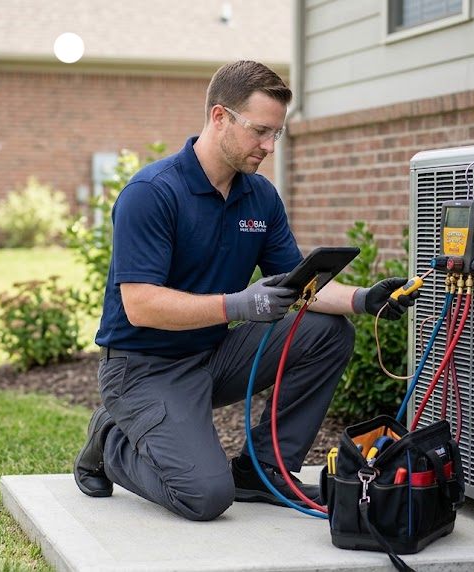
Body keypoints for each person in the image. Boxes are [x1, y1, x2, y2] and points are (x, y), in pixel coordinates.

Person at [73, 60, 419, 522]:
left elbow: (300, 286)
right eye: (260, 131)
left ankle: (265, 470)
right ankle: (111, 437)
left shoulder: (259, 196)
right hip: (144, 369)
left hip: (214, 355)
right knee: (205, 497)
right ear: (220, 117)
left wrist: (364, 299)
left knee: (327, 331)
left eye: (276, 133)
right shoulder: (152, 193)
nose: (269, 146)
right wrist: (238, 304)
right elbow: (140, 305)